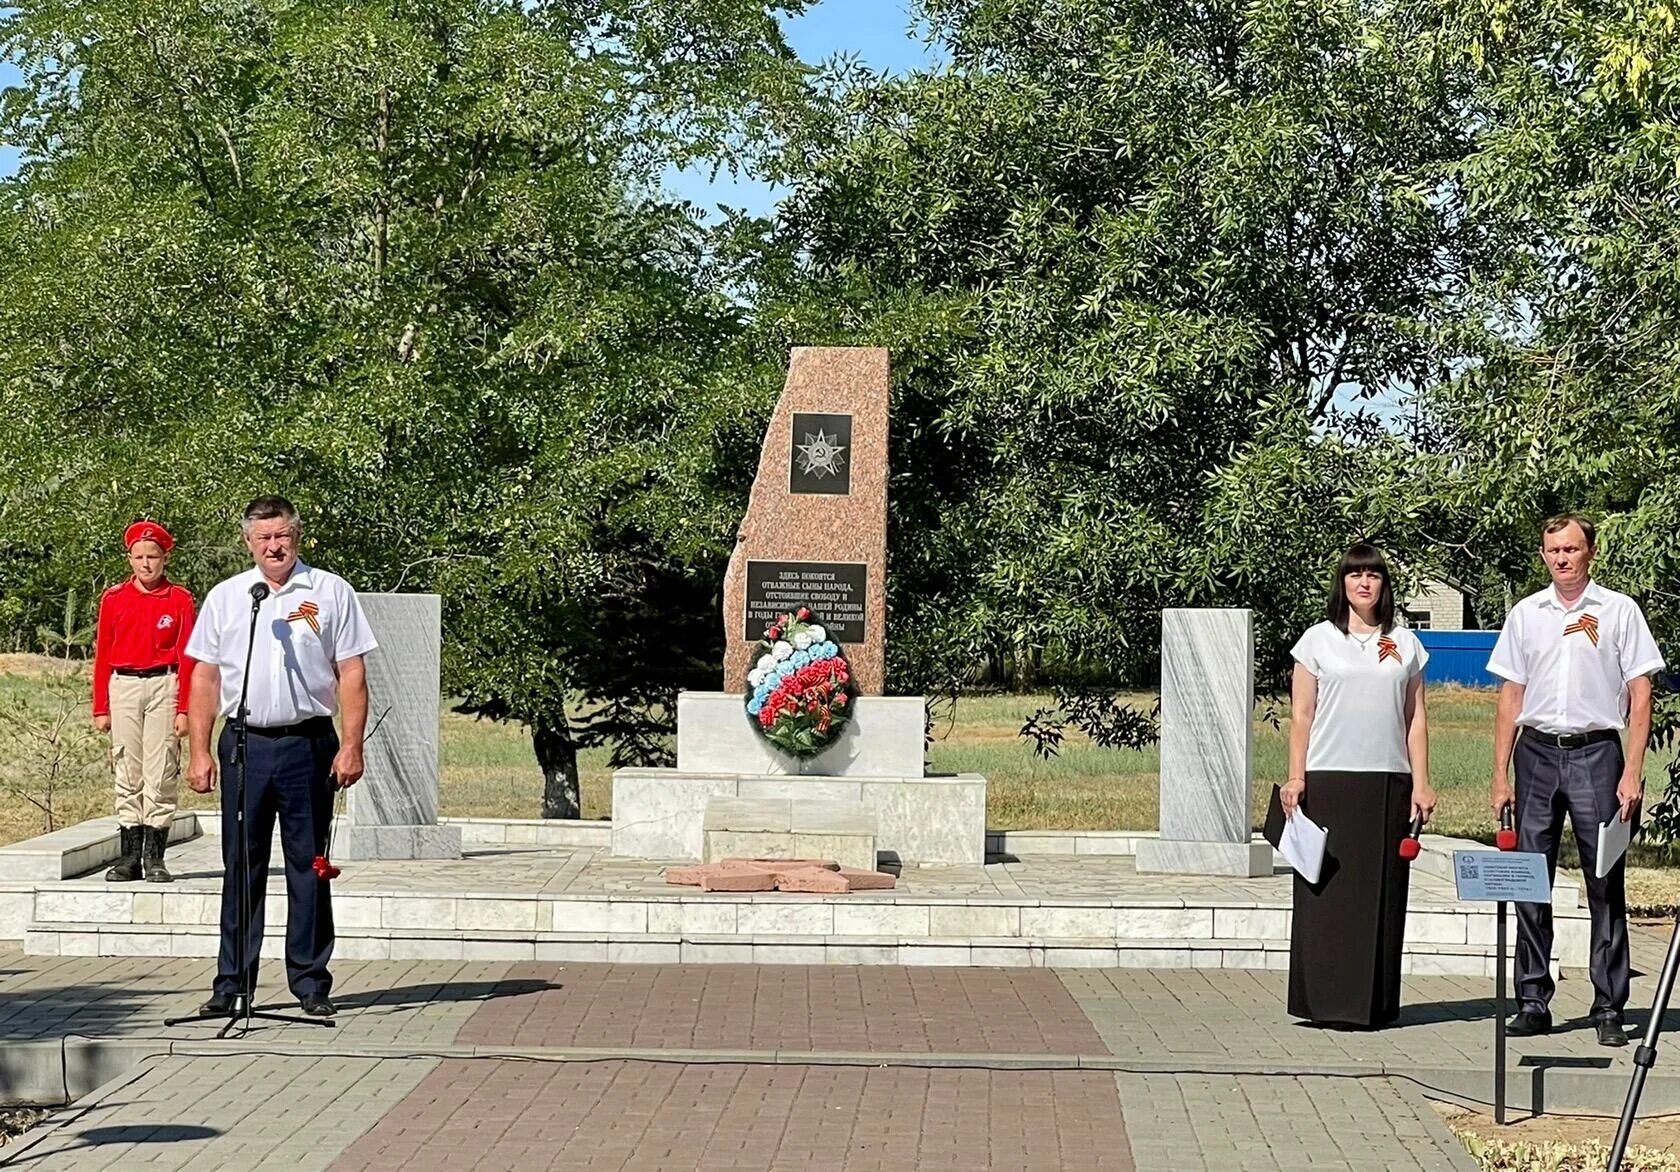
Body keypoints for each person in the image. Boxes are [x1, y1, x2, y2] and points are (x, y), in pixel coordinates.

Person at [184, 495, 377, 1018]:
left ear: (297, 538)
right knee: (240, 866)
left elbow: (353, 672)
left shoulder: (330, 591)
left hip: (307, 745)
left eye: (283, 536)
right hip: (245, 746)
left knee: (308, 867)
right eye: (263, 538)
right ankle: (233, 984)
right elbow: (203, 675)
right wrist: (199, 750)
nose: (274, 547)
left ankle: (311, 982)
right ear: (248, 542)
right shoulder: (229, 598)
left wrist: (352, 744)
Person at [1488, 513, 1663, 1047]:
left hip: (1597, 757)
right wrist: (1500, 776)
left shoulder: (1618, 612)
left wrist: (1633, 770)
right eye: (1551, 550)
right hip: (1537, 755)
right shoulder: (1527, 614)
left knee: (1604, 881)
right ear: (1543, 556)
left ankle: (1609, 1005)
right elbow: (1510, 698)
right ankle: (1533, 999)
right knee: (1528, 878)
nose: (1561, 558)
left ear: (1589, 552)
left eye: (1570, 549)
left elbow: (1640, 694)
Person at [1282, 543, 1436, 1028]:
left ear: (1384, 584)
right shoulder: (1317, 641)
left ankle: (1376, 1005)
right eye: (1355, 575)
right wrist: (1296, 776)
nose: (1364, 583)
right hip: (1329, 779)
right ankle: (1322, 1002)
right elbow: (1302, 714)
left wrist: (1422, 782)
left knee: (1381, 896)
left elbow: (1415, 718)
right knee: (1327, 897)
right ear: (1343, 583)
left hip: (1388, 781)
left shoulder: (1405, 644)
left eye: (1373, 575)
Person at [91, 520, 197, 884]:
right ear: (130, 559)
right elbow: (103, 651)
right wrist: (100, 706)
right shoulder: (115, 598)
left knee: (161, 767)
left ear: (164, 558)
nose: (146, 564)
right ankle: (128, 855)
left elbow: (187, 657)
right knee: (127, 768)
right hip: (124, 684)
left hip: (164, 684)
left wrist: (185, 708)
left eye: (153, 556)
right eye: (139, 556)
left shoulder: (179, 599)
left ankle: (155, 857)